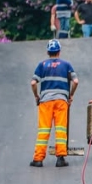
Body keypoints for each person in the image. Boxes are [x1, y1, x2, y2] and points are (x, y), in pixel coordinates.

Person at [30, 39, 78, 168]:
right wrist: (70, 95)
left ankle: (38, 159)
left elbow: (33, 83)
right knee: (61, 129)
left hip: (45, 101)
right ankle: (60, 158)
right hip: (61, 101)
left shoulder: (42, 65)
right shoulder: (66, 65)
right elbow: (75, 81)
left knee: (43, 130)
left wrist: (36, 96)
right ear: (59, 51)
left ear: (48, 52)